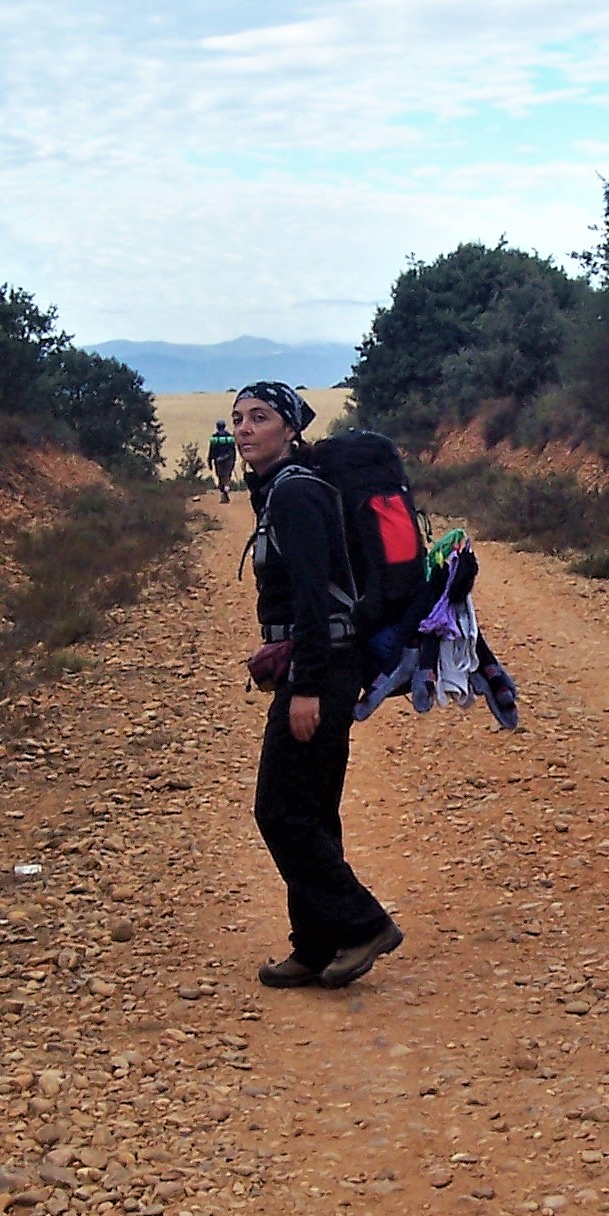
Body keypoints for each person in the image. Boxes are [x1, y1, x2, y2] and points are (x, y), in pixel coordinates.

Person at [233, 380, 404, 989]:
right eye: (238, 419)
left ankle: (361, 923)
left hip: (322, 667)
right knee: (311, 808)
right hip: (327, 661)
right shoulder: (281, 490)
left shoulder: (296, 493)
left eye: (259, 418)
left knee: (279, 811)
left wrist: (305, 687)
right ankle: (315, 942)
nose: (245, 429)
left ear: (290, 429)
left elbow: (313, 598)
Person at [207, 418, 238, 502]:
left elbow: (211, 450)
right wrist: (234, 460)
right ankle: (226, 490)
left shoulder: (214, 437)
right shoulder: (229, 436)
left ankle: (223, 494)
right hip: (229, 459)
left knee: (220, 476)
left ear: (217, 427)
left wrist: (209, 461)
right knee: (227, 476)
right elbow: (233, 450)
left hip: (218, 460)